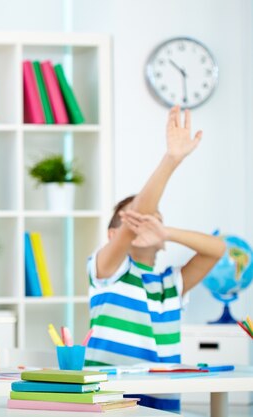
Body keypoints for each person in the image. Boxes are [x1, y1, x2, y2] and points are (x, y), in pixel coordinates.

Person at [85, 107, 226, 411]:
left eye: (155, 220)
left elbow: (217, 249)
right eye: (137, 220)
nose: (145, 223)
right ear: (113, 236)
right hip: (108, 400)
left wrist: (167, 232)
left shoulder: (170, 284)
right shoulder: (107, 272)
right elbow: (137, 216)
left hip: (161, 402)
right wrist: (171, 159)